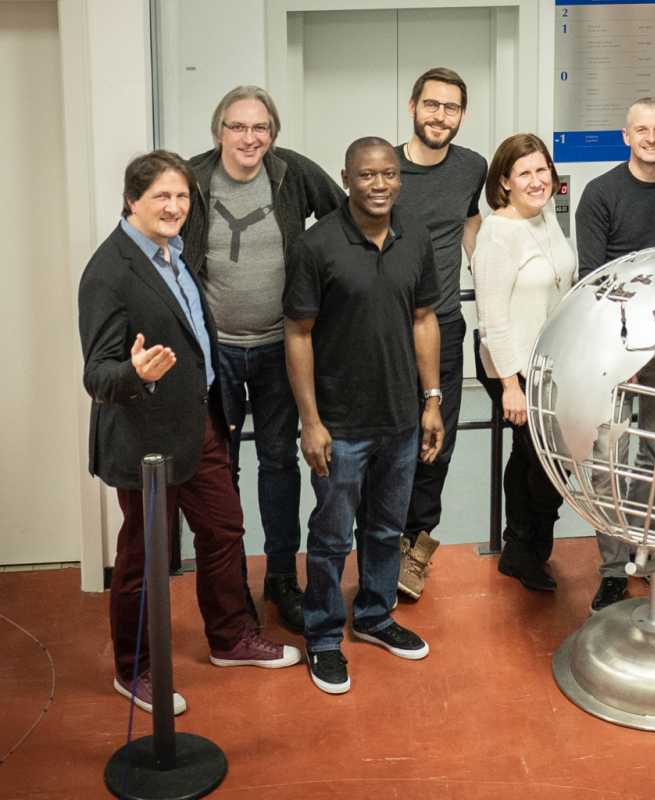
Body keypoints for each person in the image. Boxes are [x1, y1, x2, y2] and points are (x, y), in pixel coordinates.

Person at [80, 150, 301, 717]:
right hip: (144, 439)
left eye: (182, 197)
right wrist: (134, 373)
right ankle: (135, 671)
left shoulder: (173, 255)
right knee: (145, 559)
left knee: (224, 530)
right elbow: (98, 374)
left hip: (199, 426)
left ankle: (230, 640)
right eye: (161, 197)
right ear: (132, 200)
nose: (175, 207)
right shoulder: (110, 270)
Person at [283, 137, 443, 695]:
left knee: (386, 528)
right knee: (330, 536)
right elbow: (298, 333)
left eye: (389, 174)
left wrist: (432, 400)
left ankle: (374, 616)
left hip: (400, 418)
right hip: (340, 422)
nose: (380, 184)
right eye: (368, 175)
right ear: (346, 177)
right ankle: (323, 636)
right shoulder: (316, 245)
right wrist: (310, 420)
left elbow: (425, 320)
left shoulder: (414, 235)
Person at [181, 85, 343, 634]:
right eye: (238, 127)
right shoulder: (192, 178)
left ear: (272, 133)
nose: (249, 138)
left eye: (260, 128)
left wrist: (317, 279)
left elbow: (342, 217)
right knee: (218, 472)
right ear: (218, 131)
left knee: (278, 463)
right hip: (214, 353)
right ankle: (230, 588)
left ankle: (280, 578)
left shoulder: (291, 173)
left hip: (279, 349)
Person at [574, 97, 655, 611]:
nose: (651, 138)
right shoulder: (600, 193)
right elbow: (594, 277)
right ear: (625, 136)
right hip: (612, 343)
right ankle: (612, 567)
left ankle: (645, 551)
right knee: (608, 459)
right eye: (641, 130)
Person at [392, 67, 488, 600]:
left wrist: (488, 270)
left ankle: (415, 546)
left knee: (437, 443)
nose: (440, 116)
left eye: (450, 108)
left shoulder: (471, 166)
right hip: (385, 332)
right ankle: (382, 544)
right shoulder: (386, 166)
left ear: (462, 115)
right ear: (412, 107)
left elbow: (471, 222)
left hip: (445, 324)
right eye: (431, 105)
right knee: (389, 443)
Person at [473, 133, 575, 592]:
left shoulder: (547, 217)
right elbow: (491, 316)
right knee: (543, 458)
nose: (537, 181)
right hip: (511, 363)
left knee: (540, 455)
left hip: (552, 360)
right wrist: (511, 385)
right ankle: (527, 550)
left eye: (542, 171)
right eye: (525, 173)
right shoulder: (498, 232)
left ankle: (524, 546)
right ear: (505, 182)